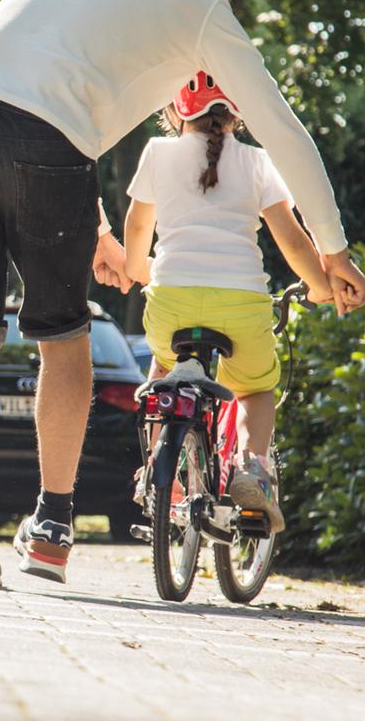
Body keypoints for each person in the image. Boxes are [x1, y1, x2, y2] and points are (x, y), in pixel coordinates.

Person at [0, 0, 365, 589]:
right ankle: (55, 527)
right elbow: (281, 128)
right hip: (44, 145)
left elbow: (38, 88)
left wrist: (95, 222)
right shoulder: (202, 1)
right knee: (62, 337)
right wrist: (331, 247)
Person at [124, 75, 333, 531]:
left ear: (175, 112)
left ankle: (158, 474)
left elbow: (138, 228)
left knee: (163, 368)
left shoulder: (156, 153)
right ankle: (251, 469)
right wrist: (320, 286)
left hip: (171, 303)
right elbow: (293, 242)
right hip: (241, 304)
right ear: (238, 113)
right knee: (255, 388)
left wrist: (138, 269)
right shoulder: (258, 162)